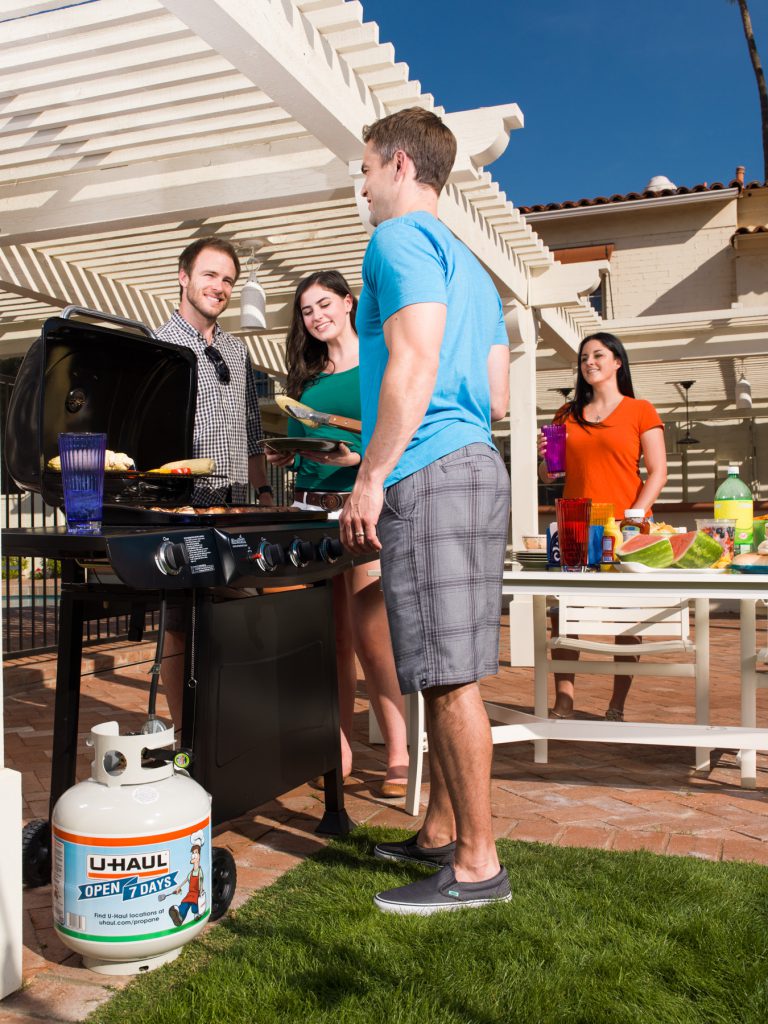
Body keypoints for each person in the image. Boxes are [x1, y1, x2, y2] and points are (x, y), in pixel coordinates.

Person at [339, 107, 512, 915]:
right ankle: (442, 831)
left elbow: (415, 356)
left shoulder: (397, 240)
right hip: (476, 459)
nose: (362, 184)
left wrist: (372, 475)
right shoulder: (470, 263)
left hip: (430, 466)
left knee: (445, 678)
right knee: (452, 666)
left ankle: (477, 866)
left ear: (401, 165)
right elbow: (500, 394)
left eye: (367, 167)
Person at [266, 269, 409, 796]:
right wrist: (286, 452)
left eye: (324, 304)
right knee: (331, 640)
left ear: (348, 303)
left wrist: (363, 458)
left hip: (362, 508)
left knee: (375, 640)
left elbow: (398, 430)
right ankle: (338, 745)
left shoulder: (380, 360)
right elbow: (306, 447)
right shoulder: (303, 381)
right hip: (310, 508)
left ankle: (397, 751)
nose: (316, 316)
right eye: (306, 311)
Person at [155, 236, 273, 727]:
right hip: (180, 505)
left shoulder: (236, 350)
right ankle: (186, 733)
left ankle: (227, 726)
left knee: (235, 620)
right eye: (210, 275)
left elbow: (252, 431)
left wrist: (263, 494)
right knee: (180, 626)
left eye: (227, 280)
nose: (219, 287)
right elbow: (151, 437)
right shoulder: (158, 346)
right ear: (184, 277)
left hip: (231, 505)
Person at [539, 331, 667, 721]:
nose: (589, 362)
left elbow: (658, 472)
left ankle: (617, 704)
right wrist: (544, 459)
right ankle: (564, 699)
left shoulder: (640, 410)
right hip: (576, 522)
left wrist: (636, 514)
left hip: (624, 526)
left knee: (626, 617)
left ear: (617, 363)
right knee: (564, 614)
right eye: (583, 358)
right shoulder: (566, 415)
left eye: (598, 355)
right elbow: (551, 477)